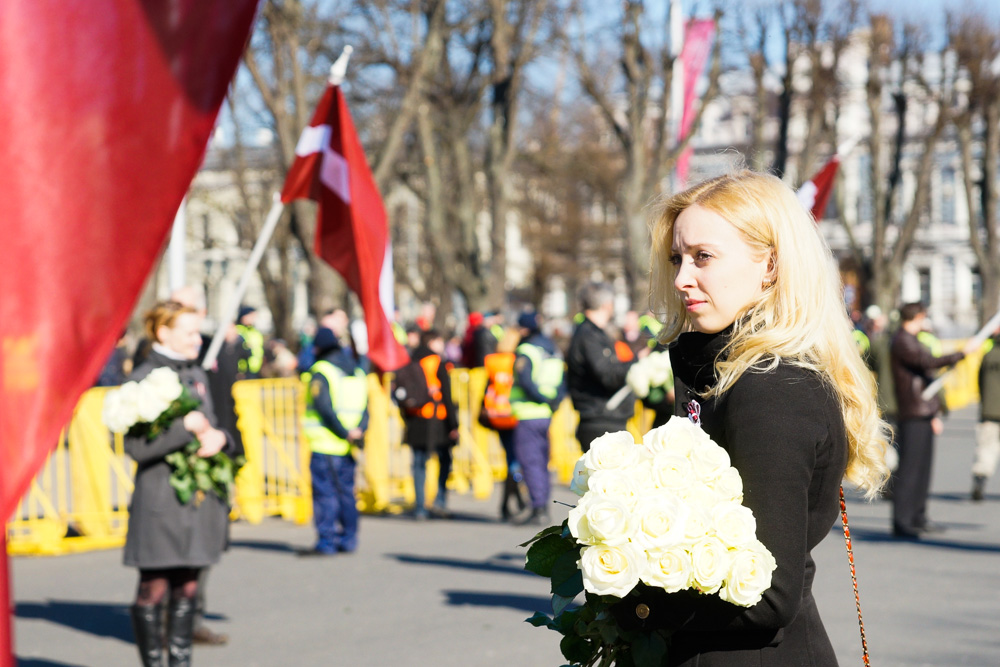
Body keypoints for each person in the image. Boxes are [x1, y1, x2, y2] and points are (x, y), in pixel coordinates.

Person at [617, 170, 892, 664]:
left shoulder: (772, 389)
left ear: (770, 265)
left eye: (703, 257)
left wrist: (635, 601)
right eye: (677, 258)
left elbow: (767, 597)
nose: (682, 278)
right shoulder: (718, 367)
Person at [124, 301, 237, 667]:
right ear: (163, 332)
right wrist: (181, 430)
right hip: (161, 500)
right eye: (189, 332)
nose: (197, 339)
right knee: (153, 588)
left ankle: (180, 663)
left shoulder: (197, 374)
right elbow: (136, 447)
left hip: (198, 500)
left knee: (189, 585)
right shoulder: (144, 378)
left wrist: (220, 439)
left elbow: (215, 422)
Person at [890, 302, 974, 538]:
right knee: (910, 469)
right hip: (912, 411)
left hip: (923, 410)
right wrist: (961, 353)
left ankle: (918, 516)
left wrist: (934, 412)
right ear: (917, 316)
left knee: (923, 468)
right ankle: (903, 520)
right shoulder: (902, 341)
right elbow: (926, 363)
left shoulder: (913, 339)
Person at [298, 327, 369, 555]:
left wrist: (342, 432)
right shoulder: (355, 371)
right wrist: (357, 432)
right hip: (348, 445)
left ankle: (326, 542)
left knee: (325, 495)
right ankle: (349, 539)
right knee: (347, 494)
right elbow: (365, 408)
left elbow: (324, 409)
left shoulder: (322, 371)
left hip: (325, 444)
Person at [393, 330, 458, 520]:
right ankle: (439, 501)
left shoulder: (410, 360)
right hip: (438, 419)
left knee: (419, 463)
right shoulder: (437, 362)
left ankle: (420, 506)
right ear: (433, 342)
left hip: (416, 419)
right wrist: (454, 424)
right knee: (444, 460)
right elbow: (446, 394)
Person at [510, 311, 567, 526]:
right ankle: (541, 504)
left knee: (531, 462)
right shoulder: (552, 348)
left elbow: (524, 381)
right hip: (546, 413)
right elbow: (562, 380)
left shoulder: (526, 350)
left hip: (528, 413)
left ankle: (538, 507)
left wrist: (541, 398)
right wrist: (553, 402)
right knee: (542, 462)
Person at [566, 282, 635, 452]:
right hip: (601, 419)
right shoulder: (589, 336)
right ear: (607, 305)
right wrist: (636, 364)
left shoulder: (592, 333)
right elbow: (608, 375)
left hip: (605, 417)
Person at [480, 328, 526, 521]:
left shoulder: (492, 362)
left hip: (497, 414)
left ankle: (509, 503)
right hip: (515, 413)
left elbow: (487, 387)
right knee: (516, 460)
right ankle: (511, 502)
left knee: (510, 457)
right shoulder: (518, 361)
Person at [972, 328, 1000, 501]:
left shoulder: (988, 355)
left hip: (989, 409)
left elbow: (979, 381)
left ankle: (980, 479)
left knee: (985, 448)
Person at [235, 305, 265, 379]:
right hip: (242, 370)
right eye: (251, 316)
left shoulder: (256, 332)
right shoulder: (238, 331)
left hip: (255, 368)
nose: (253, 319)